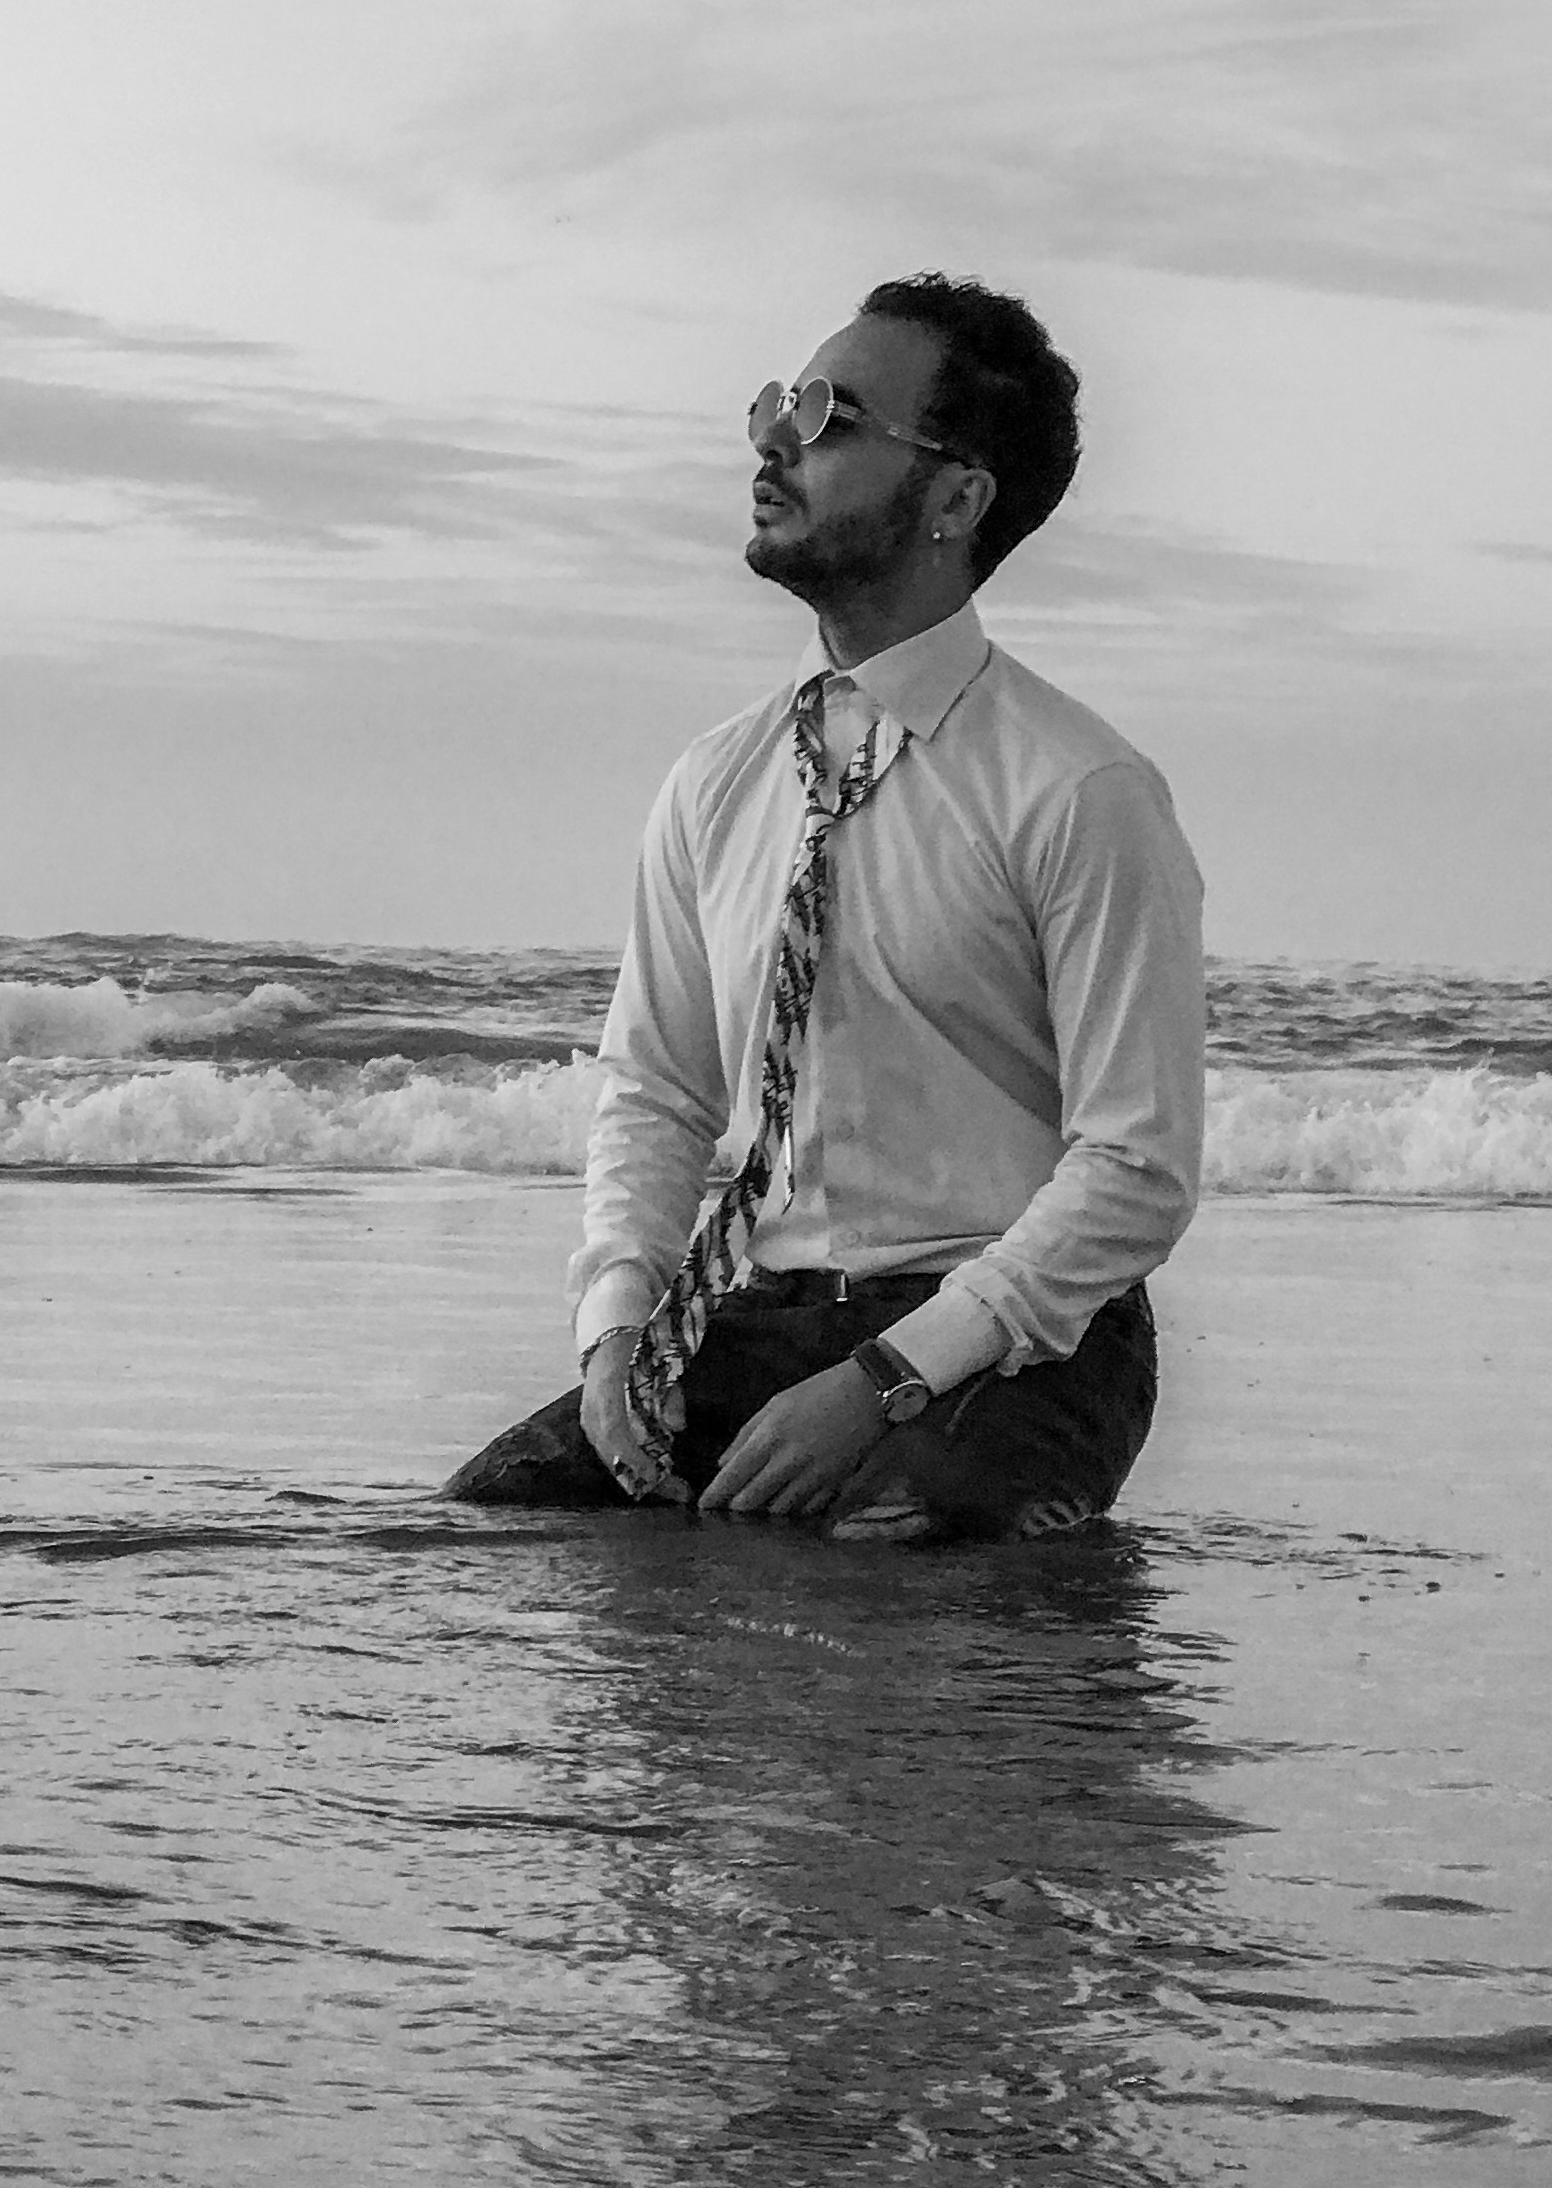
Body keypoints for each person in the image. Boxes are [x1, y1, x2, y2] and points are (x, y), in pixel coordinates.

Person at [445, 272, 1204, 1544]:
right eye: (775, 403)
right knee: (496, 1529)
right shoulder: (715, 782)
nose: (772, 438)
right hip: (755, 1313)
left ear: (957, 498)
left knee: (891, 1573)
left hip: (1015, 1345)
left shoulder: (1081, 791)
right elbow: (657, 1090)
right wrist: (615, 1333)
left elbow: (1136, 1170)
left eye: (830, 417)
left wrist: (883, 1382)